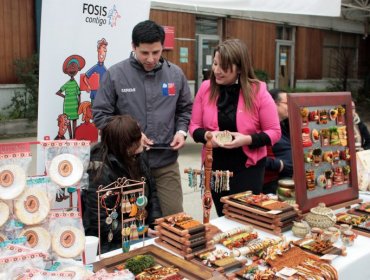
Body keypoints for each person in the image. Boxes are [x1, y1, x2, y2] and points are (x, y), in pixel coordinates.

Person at [93, 20, 193, 217]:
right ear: (133, 46)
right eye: (145, 53)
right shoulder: (116, 75)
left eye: (156, 52)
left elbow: (185, 109)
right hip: (127, 165)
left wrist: (181, 131)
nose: (151, 59)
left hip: (165, 163)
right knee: (130, 222)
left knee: (175, 218)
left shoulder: (175, 75)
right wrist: (133, 135)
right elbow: (101, 115)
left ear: (163, 47)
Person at [189, 39, 281, 216]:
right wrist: (209, 136)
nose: (216, 70)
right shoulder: (206, 88)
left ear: (239, 68)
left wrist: (246, 139)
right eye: (215, 64)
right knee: (223, 216)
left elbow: (274, 132)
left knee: (245, 218)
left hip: (247, 168)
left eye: (224, 66)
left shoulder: (258, 90)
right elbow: (194, 127)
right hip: (215, 167)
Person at [82, 115, 162, 254]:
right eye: (136, 140)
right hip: (110, 242)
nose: (141, 141)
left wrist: (155, 223)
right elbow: (102, 223)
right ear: (124, 146)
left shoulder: (137, 155)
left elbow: (152, 191)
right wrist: (141, 230)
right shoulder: (99, 171)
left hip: (139, 229)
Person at [263, 89, 293, 194]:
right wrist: (280, 165)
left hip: (290, 178)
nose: (291, 106)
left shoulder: (284, 124)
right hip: (274, 184)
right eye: (287, 103)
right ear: (273, 104)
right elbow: (256, 157)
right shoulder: (264, 127)